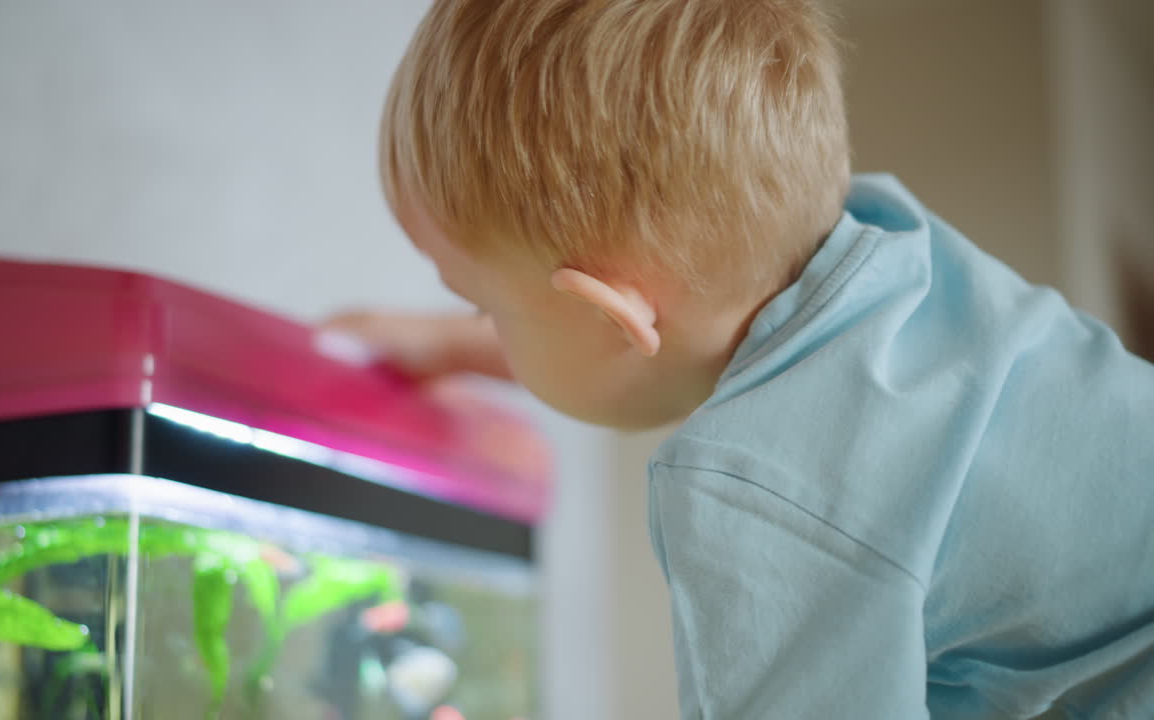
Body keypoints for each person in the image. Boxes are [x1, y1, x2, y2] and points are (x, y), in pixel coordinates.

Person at [324, 0, 1154, 716]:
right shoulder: (893, 252)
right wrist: (455, 346)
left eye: (484, 305)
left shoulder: (754, 498)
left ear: (611, 315)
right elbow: (647, 349)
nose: (485, 324)